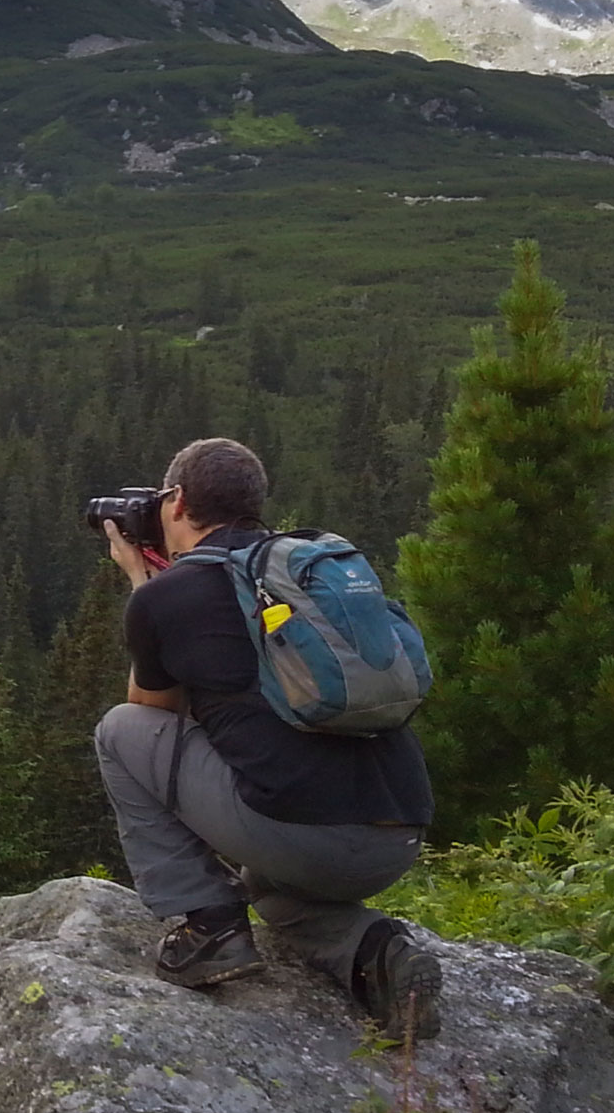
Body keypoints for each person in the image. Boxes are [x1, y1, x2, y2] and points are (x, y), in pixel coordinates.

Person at [94, 437, 441, 1040]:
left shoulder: (167, 596)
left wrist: (141, 588)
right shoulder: (301, 574)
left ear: (176, 502)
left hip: (305, 838)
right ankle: (376, 953)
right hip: (400, 831)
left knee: (118, 732)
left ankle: (210, 927)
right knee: (266, 889)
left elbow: (151, 717)